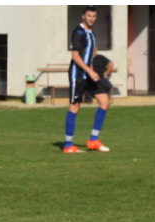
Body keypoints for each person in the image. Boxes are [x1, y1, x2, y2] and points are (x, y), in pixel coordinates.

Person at [63, 6, 112, 154]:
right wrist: (90, 71)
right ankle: (68, 145)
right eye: (88, 16)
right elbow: (75, 56)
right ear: (83, 16)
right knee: (74, 108)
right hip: (77, 76)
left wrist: (92, 71)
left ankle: (93, 140)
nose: (91, 18)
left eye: (94, 16)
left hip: (89, 75)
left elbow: (88, 55)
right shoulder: (78, 32)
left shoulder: (91, 32)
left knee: (105, 102)